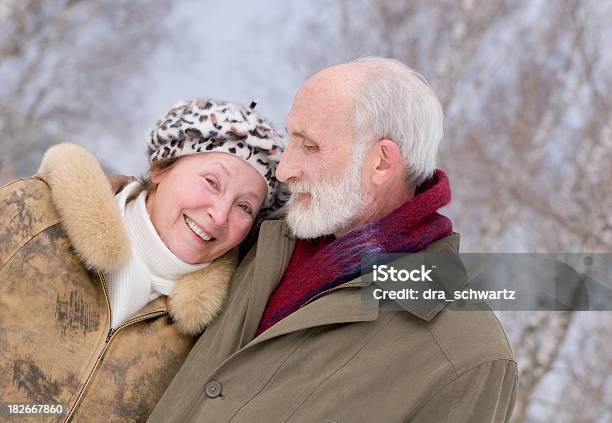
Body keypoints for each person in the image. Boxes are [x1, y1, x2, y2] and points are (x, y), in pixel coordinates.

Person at [146, 57, 518, 423]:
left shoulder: (466, 358)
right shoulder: (255, 237)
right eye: (291, 140)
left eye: (310, 147)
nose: (285, 169)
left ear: (382, 163)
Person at [0, 99, 288, 422]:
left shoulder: (220, 331)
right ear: (161, 168)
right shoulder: (31, 214)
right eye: (211, 182)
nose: (219, 215)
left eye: (245, 207)